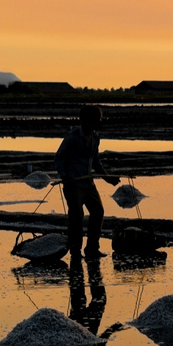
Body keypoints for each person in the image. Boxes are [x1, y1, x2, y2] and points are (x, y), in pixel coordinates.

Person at [55, 105, 117, 258]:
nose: (98, 123)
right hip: (73, 184)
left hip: (88, 183)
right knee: (76, 217)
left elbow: (96, 162)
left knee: (98, 211)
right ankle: (75, 250)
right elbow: (59, 158)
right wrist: (65, 177)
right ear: (86, 121)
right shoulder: (73, 137)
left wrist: (107, 178)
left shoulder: (95, 138)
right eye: (96, 120)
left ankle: (92, 248)